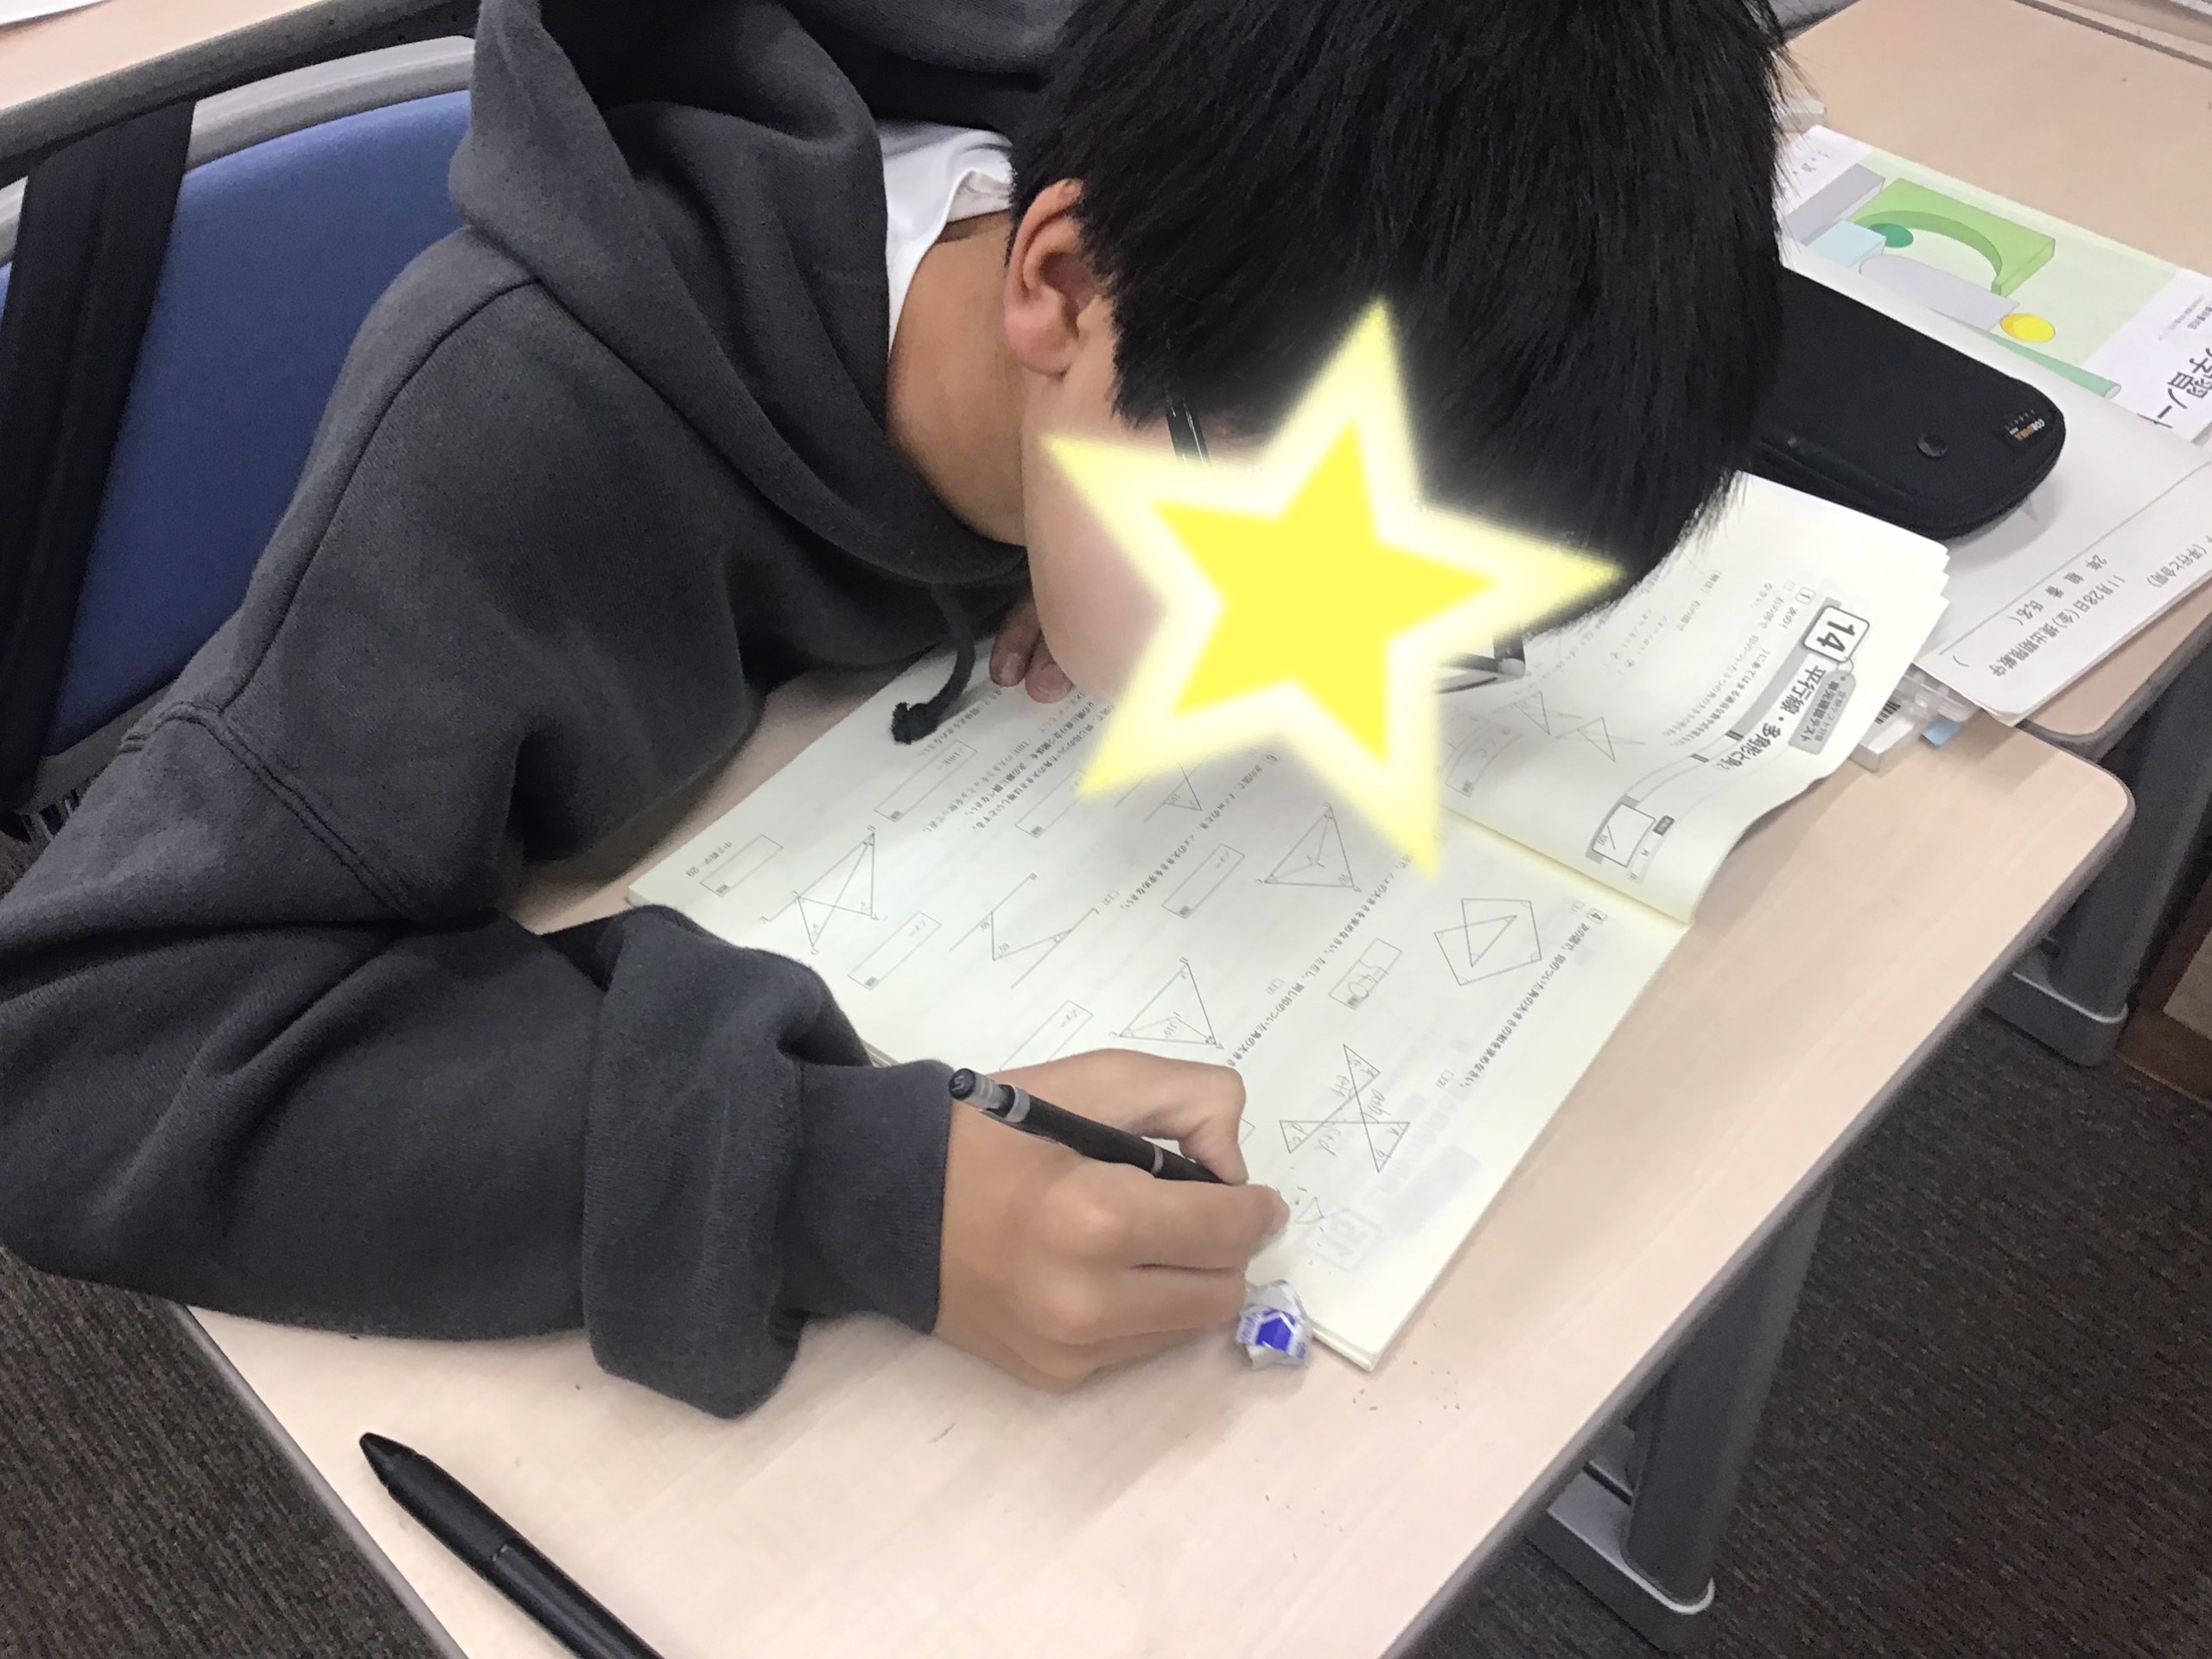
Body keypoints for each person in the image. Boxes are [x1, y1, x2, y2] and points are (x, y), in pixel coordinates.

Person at [0, 0, 1787, 1415]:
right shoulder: (514, 435)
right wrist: (837, 1178)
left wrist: (1048, 536)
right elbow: (76, 1052)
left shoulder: (1182, 243)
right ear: (1057, 285)